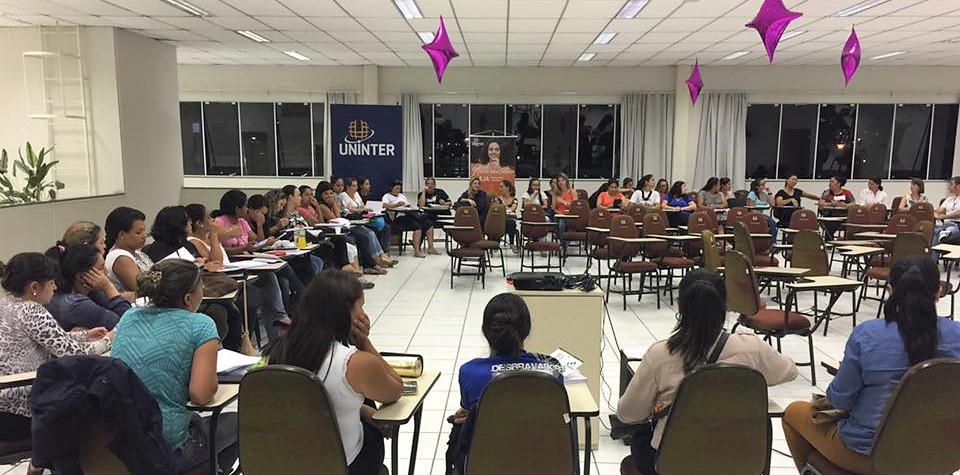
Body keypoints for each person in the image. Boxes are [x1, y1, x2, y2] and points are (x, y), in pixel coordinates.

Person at [782, 256, 960, 474]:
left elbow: (841, 400)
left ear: (889, 290)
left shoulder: (867, 335)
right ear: (939, 291)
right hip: (941, 455)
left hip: (870, 456)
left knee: (793, 413)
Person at [618, 269, 797, 474]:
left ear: (680, 305)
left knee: (640, 440)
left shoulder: (661, 354)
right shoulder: (752, 348)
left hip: (673, 462)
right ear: (725, 305)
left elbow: (627, 413)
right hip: (739, 462)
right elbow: (790, 371)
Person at [268, 270, 403, 475]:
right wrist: (364, 342)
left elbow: (311, 404)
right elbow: (395, 389)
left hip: (287, 462)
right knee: (368, 408)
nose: (364, 315)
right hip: (343, 464)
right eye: (361, 307)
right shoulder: (355, 363)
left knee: (359, 400)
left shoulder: (278, 350)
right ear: (343, 313)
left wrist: (362, 411)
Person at [112, 259, 239, 473]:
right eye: (201, 286)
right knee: (240, 422)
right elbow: (201, 395)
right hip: (165, 446)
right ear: (188, 298)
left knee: (194, 419)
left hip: (121, 443)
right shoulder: (200, 325)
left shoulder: (129, 316)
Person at [0, 252, 112, 474]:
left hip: (5, 404)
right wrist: (109, 339)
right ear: (34, 286)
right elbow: (75, 355)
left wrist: (85, 335)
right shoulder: (30, 310)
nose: (55, 287)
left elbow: (48, 339)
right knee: (94, 402)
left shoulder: (6, 303)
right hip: (24, 407)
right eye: (51, 282)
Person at [450, 293, 564, 473]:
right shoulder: (552, 369)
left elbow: (471, 409)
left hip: (486, 465)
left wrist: (475, 415)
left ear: (485, 331)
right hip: (542, 464)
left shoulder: (469, 372)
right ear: (527, 330)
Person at [44, 243, 130, 331]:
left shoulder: (90, 292)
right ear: (81, 276)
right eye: (101, 268)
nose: (106, 272)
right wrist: (108, 287)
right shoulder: (76, 304)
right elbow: (130, 324)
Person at [317, 181, 391, 273]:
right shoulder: (322, 206)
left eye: (331, 193)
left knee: (364, 236)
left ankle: (371, 264)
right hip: (334, 232)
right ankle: (368, 265)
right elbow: (336, 219)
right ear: (320, 195)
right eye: (326, 194)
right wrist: (335, 206)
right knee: (357, 237)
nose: (329, 196)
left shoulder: (333, 204)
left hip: (342, 228)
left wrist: (335, 206)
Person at [104, 206, 154, 295]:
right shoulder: (120, 257)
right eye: (138, 233)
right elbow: (142, 289)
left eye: (144, 231)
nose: (144, 236)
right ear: (122, 235)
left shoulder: (137, 252)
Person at [341, 177, 393, 259]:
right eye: (353, 186)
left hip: (362, 218)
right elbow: (348, 210)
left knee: (383, 227)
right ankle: (377, 257)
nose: (356, 188)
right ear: (347, 186)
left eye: (356, 186)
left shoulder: (356, 194)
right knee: (370, 233)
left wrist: (358, 209)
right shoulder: (343, 196)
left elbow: (362, 206)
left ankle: (383, 254)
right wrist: (359, 209)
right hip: (352, 222)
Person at [383, 180, 438, 258]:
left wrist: (408, 206)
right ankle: (417, 251)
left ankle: (431, 247)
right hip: (398, 218)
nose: (398, 190)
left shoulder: (401, 196)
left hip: (408, 214)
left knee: (428, 224)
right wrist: (396, 205)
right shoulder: (387, 196)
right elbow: (385, 206)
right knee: (417, 227)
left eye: (399, 189)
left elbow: (407, 204)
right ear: (391, 188)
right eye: (396, 188)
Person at [819, 175, 856, 240]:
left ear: (839, 183)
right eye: (829, 181)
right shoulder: (826, 193)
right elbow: (821, 204)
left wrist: (845, 205)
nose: (829, 183)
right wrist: (831, 204)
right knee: (829, 225)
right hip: (829, 217)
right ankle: (829, 242)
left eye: (832, 181)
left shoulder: (846, 193)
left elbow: (853, 203)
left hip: (843, 217)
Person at [493, 180, 520, 254]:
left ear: (507, 188)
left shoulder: (514, 200)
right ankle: (496, 243)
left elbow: (512, 209)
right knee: (499, 223)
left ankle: (511, 243)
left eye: (502, 187)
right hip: (500, 221)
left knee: (510, 222)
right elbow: (495, 209)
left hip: (510, 220)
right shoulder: (497, 199)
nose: (500, 189)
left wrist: (502, 208)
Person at [933, 176, 960, 244]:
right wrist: (935, 214)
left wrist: (944, 216)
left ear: (958, 186)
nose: (949, 186)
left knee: (940, 234)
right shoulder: (949, 199)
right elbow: (939, 210)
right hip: (946, 225)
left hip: (957, 226)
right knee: (934, 231)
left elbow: (958, 214)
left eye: (951, 184)